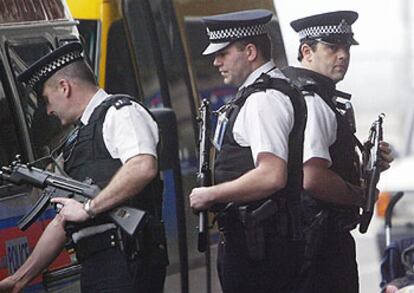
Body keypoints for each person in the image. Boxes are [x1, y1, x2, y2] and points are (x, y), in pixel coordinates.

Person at [0, 42, 168, 292]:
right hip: (98, 265)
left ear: (64, 87)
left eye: (46, 100)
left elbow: (142, 166)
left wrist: (89, 208)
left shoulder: (120, 113)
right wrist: (20, 279)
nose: (47, 111)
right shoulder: (77, 138)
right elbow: (65, 219)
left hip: (127, 259)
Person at [189, 9, 307, 293]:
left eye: (223, 53)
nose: (216, 62)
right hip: (261, 244)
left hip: (262, 249)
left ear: (250, 51)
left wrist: (211, 194)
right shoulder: (263, 93)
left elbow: (271, 175)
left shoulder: (263, 100)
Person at [281, 11, 394, 293]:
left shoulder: (308, 95)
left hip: (311, 239)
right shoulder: (313, 101)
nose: (342, 55)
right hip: (319, 242)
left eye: (346, 48)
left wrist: (365, 163)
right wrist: (361, 195)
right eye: (332, 47)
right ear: (307, 51)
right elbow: (313, 177)